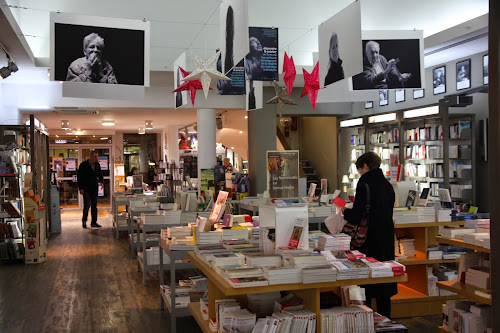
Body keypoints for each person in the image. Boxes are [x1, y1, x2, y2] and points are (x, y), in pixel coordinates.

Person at [341, 152, 396, 318]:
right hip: (386, 236)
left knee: (368, 279)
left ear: (365, 166)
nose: (360, 173)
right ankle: (385, 320)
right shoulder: (388, 185)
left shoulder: (364, 183)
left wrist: (345, 212)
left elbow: (358, 214)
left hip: (369, 237)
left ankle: (367, 318)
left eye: (360, 170)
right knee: (384, 277)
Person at [78, 151, 104, 228]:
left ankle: (94, 222)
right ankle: (84, 220)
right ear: (90, 156)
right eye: (95, 156)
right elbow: (80, 177)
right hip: (86, 188)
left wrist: (101, 181)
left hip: (94, 188)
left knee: (94, 205)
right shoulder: (83, 165)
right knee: (87, 205)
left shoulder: (97, 165)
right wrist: (81, 188)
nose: (96, 158)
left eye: (97, 156)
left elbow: (100, 174)